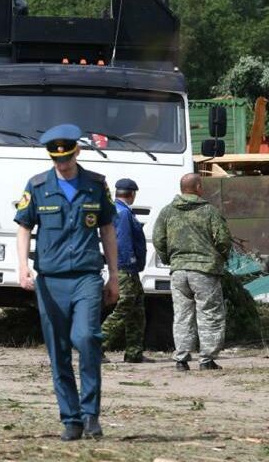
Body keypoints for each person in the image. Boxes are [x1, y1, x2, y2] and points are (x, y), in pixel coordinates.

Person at [15, 123, 119, 441]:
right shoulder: (36, 186)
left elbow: (107, 231)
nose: (62, 164)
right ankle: (71, 419)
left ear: (77, 152)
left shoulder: (96, 185)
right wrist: (22, 267)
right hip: (50, 280)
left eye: (67, 158)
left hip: (87, 276)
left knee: (87, 338)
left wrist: (114, 275)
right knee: (58, 352)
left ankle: (91, 415)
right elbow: (23, 227)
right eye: (56, 159)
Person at [153, 173, 231, 371]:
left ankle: (181, 359)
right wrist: (220, 258)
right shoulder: (209, 211)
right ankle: (207, 359)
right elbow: (223, 239)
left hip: (178, 271)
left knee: (182, 314)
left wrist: (170, 260)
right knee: (209, 313)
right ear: (197, 187)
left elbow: (158, 240)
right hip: (204, 270)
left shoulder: (167, 212)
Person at [102, 178, 150, 363]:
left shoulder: (119, 210)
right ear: (132, 194)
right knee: (123, 309)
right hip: (126, 269)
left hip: (128, 269)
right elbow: (123, 242)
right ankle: (96, 347)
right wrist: (130, 263)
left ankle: (134, 353)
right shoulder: (123, 213)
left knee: (137, 310)